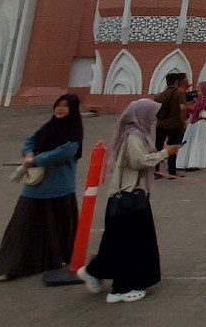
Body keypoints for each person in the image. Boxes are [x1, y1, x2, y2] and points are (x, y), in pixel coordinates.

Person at [77, 99, 179, 303]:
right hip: (129, 197)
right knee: (131, 244)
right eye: (151, 114)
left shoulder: (137, 133)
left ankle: (94, 271)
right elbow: (138, 160)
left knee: (117, 242)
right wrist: (163, 153)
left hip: (128, 198)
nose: (153, 118)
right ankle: (122, 288)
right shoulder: (133, 135)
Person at [0, 94, 83, 282]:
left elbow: (65, 152)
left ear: (73, 109)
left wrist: (35, 160)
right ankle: (8, 267)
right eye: (58, 105)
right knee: (22, 225)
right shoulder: (48, 128)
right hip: (36, 186)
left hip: (60, 188)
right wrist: (29, 153)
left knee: (57, 228)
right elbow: (30, 141)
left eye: (65, 106)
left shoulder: (73, 132)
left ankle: (54, 260)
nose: (60, 109)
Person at [153, 72, 186, 179]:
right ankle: (172, 171)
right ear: (177, 82)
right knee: (173, 147)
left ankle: (156, 171)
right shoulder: (179, 93)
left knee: (158, 147)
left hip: (160, 124)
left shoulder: (159, 95)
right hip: (174, 125)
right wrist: (183, 121)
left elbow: (155, 110)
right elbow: (183, 108)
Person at [176, 81, 206, 171]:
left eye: (199, 87)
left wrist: (193, 103)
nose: (197, 89)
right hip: (195, 122)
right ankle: (186, 162)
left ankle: (193, 163)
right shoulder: (201, 98)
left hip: (200, 123)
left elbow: (202, 107)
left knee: (197, 143)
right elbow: (195, 111)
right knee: (190, 142)